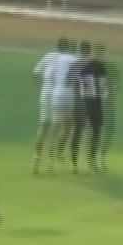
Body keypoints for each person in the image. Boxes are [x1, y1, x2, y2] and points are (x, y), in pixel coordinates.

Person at [32, 39, 80, 175]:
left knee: (43, 126)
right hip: (58, 95)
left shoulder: (49, 56)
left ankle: (36, 159)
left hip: (44, 95)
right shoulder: (69, 59)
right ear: (69, 47)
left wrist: (43, 88)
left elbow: (35, 74)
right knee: (61, 126)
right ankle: (54, 158)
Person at [70, 41, 114, 173]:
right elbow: (104, 87)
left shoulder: (80, 66)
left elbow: (75, 85)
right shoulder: (100, 66)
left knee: (79, 131)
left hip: (82, 102)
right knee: (94, 131)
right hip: (94, 102)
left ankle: (75, 163)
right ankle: (91, 161)